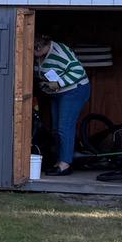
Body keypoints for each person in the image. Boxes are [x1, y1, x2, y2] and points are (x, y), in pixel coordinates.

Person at [35, 34, 91, 174]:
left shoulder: (60, 52)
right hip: (56, 93)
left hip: (74, 90)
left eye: (35, 51)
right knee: (56, 129)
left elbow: (78, 71)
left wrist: (59, 82)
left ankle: (65, 165)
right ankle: (59, 161)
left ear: (41, 47)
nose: (34, 55)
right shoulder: (39, 54)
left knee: (64, 127)